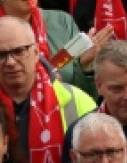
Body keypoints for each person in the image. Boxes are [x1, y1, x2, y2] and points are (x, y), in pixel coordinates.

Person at [0, 16, 95, 159]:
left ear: (36, 52)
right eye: (1, 55)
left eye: (19, 51)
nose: (10, 62)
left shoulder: (78, 101)